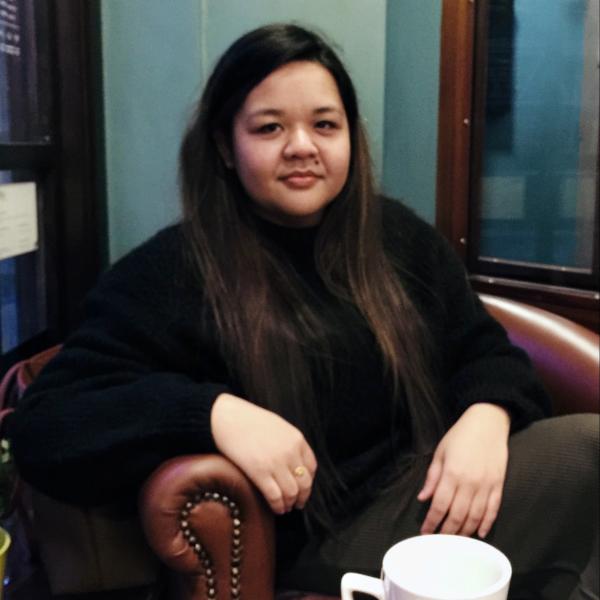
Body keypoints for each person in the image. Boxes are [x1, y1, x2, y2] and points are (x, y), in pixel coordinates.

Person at [7, 23, 598, 599]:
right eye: (269, 127)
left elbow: (485, 350)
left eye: (324, 124)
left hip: (429, 489)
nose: (302, 146)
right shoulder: (174, 271)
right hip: (320, 540)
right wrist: (210, 412)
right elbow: (48, 426)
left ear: (349, 136)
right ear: (225, 147)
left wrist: (486, 417)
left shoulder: (395, 237)